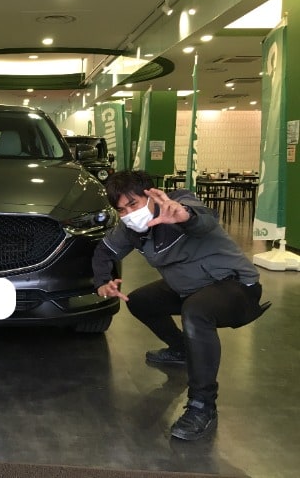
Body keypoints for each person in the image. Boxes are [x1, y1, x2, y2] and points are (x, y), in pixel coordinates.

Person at [92, 170, 267, 441]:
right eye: (121, 209)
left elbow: (204, 221)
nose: (128, 214)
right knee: (140, 301)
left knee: (195, 311)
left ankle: (202, 405)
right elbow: (104, 251)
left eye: (133, 204)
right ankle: (182, 349)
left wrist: (185, 216)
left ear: (150, 195)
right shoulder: (131, 229)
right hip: (188, 289)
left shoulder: (179, 203)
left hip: (234, 285)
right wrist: (104, 280)